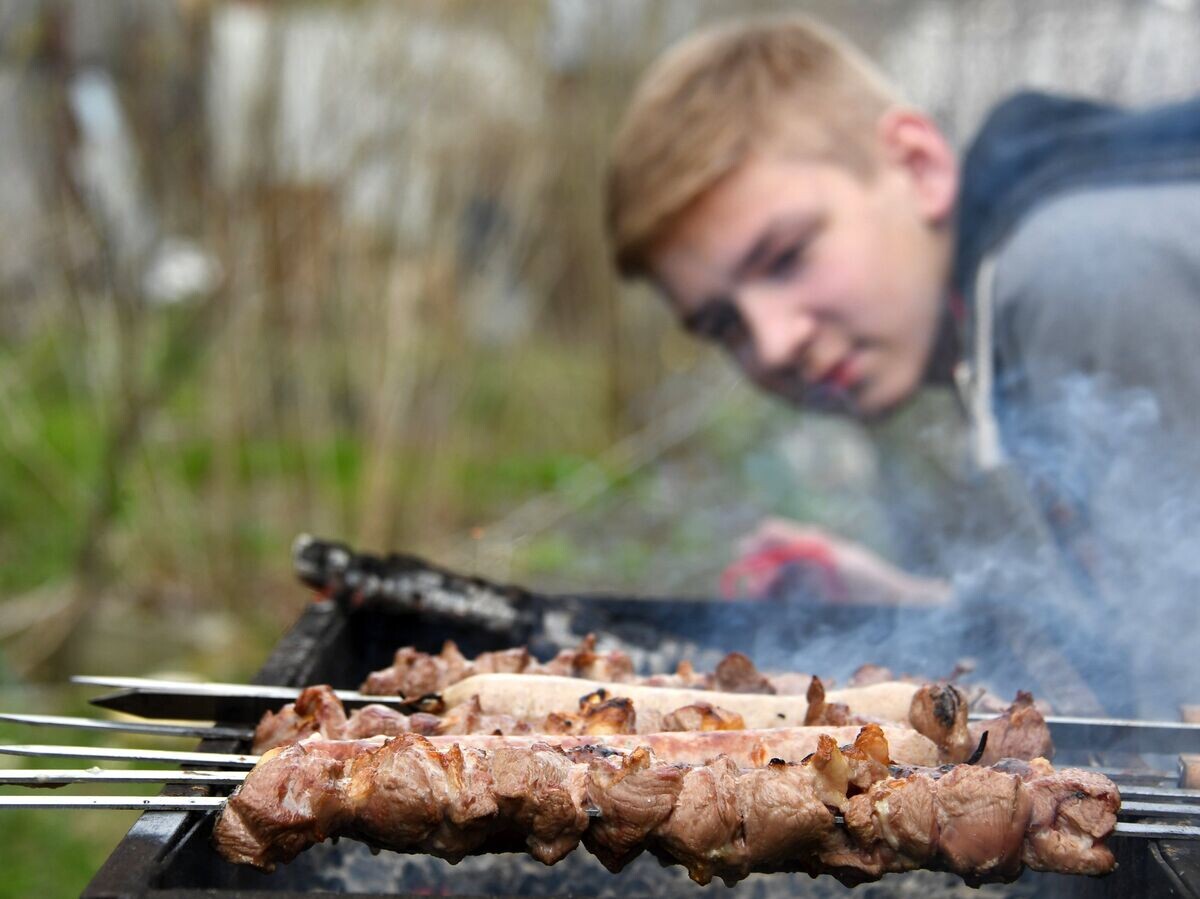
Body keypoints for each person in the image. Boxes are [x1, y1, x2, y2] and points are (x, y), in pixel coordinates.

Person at [604, 15, 1200, 713]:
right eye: (723, 323)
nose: (771, 343)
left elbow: (1180, 695)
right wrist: (902, 602)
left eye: (787, 256)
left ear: (918, 166)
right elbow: (1139, 633)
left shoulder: (1080, 272)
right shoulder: (1007, 293)